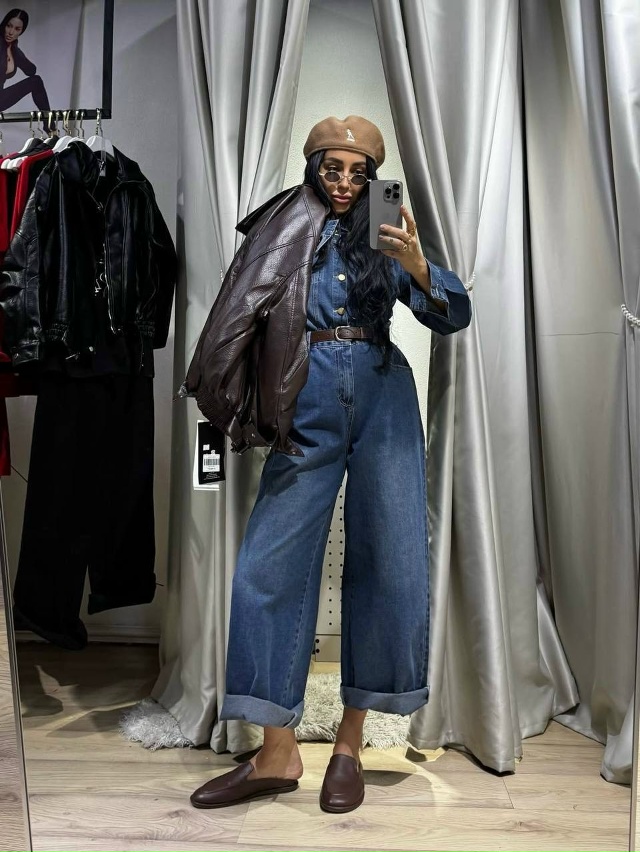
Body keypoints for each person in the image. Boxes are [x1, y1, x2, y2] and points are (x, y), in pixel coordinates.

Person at [185, 116, 472, 813]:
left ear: (373, 176)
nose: (344, 182)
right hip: (305, 392)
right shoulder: (282, 225)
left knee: (390, 563)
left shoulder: (385, 226)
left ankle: (350, 744)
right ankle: (276, 752)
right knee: (267, 569)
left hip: (382, 392)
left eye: (357, 171)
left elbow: (454, 315)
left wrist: (416, 266)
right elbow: (242, 307)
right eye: (331, 167)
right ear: (313, 165)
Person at [0, 9, 51, 113]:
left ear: (21, 31)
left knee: (36, 81)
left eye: (17, 29)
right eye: (9, 26)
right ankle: (50, 122)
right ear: (4, 25)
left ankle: (49, 121)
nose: (11, 32)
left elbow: (31, 71)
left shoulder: (13, 49)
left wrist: (15, 51)